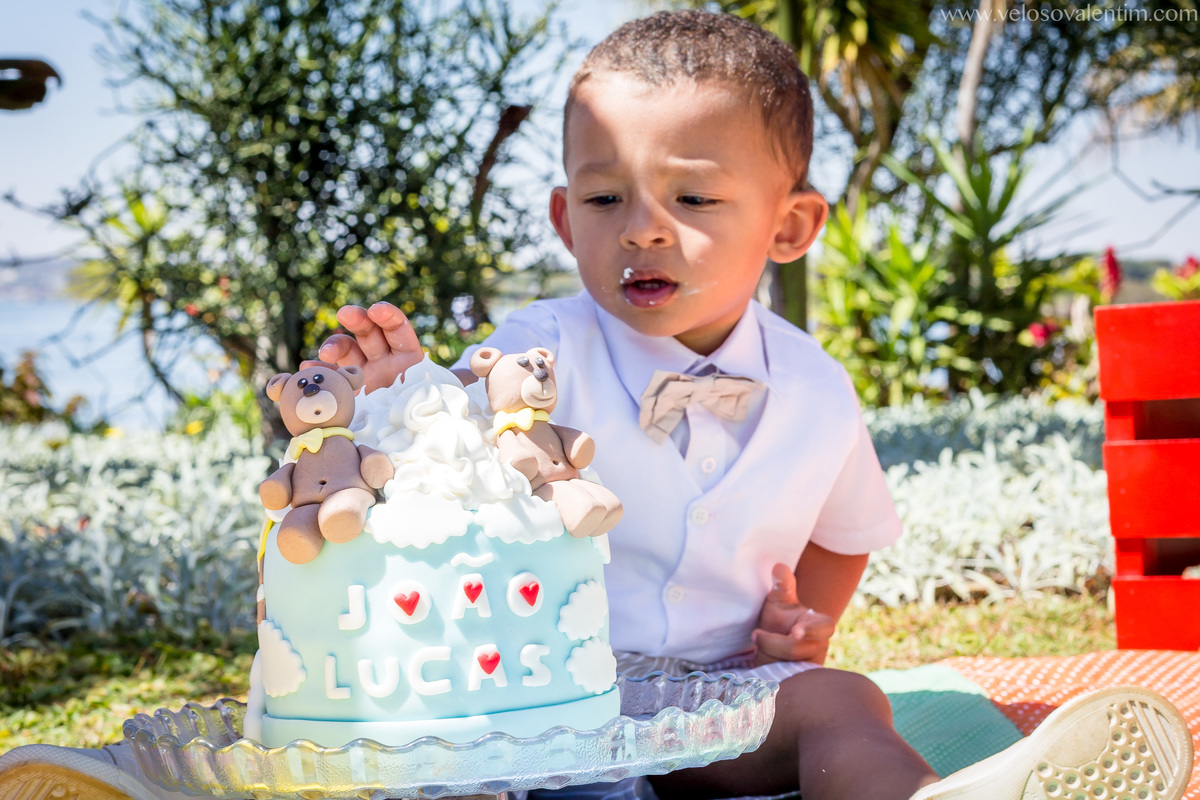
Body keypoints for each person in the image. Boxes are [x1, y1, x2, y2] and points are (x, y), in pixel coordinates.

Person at [0, 10, 1191, 800]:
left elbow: (847, 530)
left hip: (707, 708)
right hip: (517, 705)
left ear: (788, 226)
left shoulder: (820, 392)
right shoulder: (536, 347)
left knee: (842, 701)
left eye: (692, 196)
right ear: (566, 219)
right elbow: (436, 449)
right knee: (408, 765)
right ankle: (149, 780)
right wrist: (395, 382)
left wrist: (801, 628)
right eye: (607, 196)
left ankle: (941, 796)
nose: (646, 229)